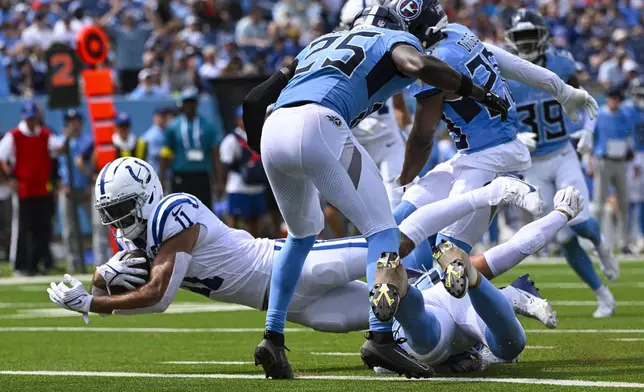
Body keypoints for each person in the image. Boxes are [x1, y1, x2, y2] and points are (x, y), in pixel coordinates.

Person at [47, 157, 585, 372]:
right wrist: (98, 279)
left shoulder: (173, 211)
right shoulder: (143, 233)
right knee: (398, 302)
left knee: (390, 241)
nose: (118, 221)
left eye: (120, 209)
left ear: (145, 196)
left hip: (285, 268)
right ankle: (495, 300)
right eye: (110, 214)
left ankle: (490, 192)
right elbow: (128, 269)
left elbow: (160, 295)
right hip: (292, 306)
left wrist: (94, 302)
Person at [243, 2, 512, 379]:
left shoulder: (319, 43)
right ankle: (381, 337)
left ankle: (272, 336)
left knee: (301, 236)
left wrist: (263, 148)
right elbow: (416, 65)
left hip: (275, 128)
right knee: (382, 231)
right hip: (321, 123)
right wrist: (474, 90)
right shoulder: (393, 37)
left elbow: (254, 99)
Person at [388, 2, 598, 273]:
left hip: (489, 160)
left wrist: (405, 177)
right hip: (475, 155)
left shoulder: (435, 63)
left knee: (449, 260)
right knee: (400, 222)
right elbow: (518, 65)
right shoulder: (458, 32)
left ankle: (511, 297)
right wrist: (562, 90)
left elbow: (423, 136)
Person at [505, 9, 617, 318]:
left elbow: (587, 98)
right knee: (564, 236)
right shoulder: (505, 72)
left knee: (580, 223)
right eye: (520, 37)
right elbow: (497, 119)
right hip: (532, 163)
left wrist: (589, 132)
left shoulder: (562, 63)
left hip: (563, 153)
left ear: (542, 36)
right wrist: (513, 141)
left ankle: (601, 246)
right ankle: (603, 296)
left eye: (530, 35)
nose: (526, 43)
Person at [0, 103, 60, 276]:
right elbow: (2, 157)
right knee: (23, 228)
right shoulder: (14, 136)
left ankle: (36, 263)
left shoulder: (45, 134)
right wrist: (10, 177)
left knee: (41, 228)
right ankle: (21, 264)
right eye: (29, 118)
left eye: (33, 118)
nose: (32, 122)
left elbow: (57, 150)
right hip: (24, 189)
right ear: (23, 118)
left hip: (42, 189)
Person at [159, 88, 224, 210]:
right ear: (182, 104)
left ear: (196, 104)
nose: (189, 105)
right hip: (180, 175)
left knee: (204, 211)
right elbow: (165, 153)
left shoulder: (207, 125)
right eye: (186, 102)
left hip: (202, 175)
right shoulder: (174, 126)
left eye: (192, 102)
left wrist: (219, 181)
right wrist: (162, 179)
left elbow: (215, 154)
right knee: (179, 210)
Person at [591, 87, 634, 255]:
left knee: (624, 202)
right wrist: (589, 160)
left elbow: (628, 138)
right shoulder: (599, 115)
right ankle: (597, 242)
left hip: (620, 161)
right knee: (599, 203)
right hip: (603, 160)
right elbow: (591, 138)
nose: (615, 101)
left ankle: (624, 242)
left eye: (618, 99)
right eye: (612, 98)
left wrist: (629, 150)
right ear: (608, 99)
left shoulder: (624, 116)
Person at [219, 107, 267, 237]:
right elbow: (225, 164)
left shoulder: (261, 136)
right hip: (238, 187)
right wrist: (221, 185)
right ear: (237, 120)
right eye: (242, 118)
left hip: (257, 187)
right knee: (234, 221)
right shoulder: (231, 140)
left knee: (255, 223)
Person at [57, 110, 93, 271]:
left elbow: (91, 165)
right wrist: (67, 137)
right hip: (67, 189)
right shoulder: (62, 140)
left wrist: (88, 186)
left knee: (96, 224)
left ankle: (99, 257)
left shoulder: (88, 140)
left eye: (77, 119)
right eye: (71, 120)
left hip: (85, 188)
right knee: (69, 229)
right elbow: (58, 157)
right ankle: (73, 261)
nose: (74, 123)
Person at [625, 78, 644, 252]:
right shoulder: (627, 110)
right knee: (630, 198)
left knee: (641, 200)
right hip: (631, 155)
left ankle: (640, 236)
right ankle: (629, 237)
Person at [142, 106, 171, 174]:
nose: (162, 119)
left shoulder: (168, 132)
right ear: (154, 117)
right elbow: (157, 155)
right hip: (154, 173)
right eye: (159, 116)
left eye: (164, 116)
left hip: (167, 174)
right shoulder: (151, 135)